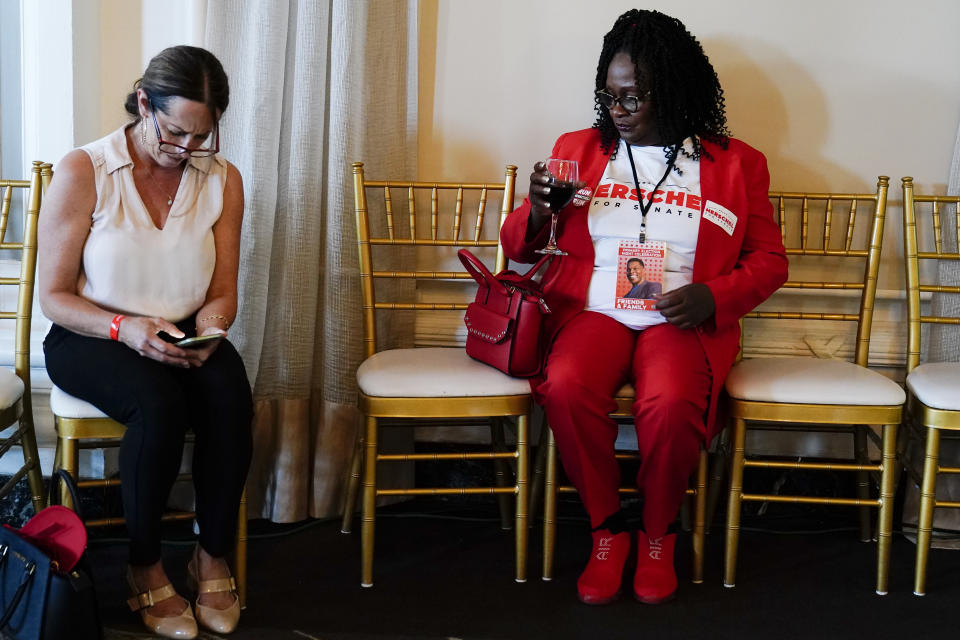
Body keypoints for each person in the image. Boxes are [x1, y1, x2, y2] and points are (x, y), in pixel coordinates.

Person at [501, 9, 788, 605]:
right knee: (566, 385)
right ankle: (608, 532)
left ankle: (658, 534)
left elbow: (769, 259)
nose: (618, 110)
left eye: (634, 97)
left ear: (676, 91)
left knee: (671, 400)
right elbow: (518, 247)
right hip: (593, 311)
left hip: (679, 319)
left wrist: (714, 295)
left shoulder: (736, 164)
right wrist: (537, 210)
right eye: (610, 97)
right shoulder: (577, 150)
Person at [38, 46, 251, 638]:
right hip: (91, 332)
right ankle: (144, 565)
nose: (185, 150)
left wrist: (210, 329)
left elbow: (224, 289)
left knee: (230, 393)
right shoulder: (86, 169)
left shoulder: (224, 179)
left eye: (200, 137)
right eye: (175, 132)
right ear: (142, 103)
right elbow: (53, 296)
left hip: (179, 326)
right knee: (159, 405)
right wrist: (124, 328)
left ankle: (210, 554)